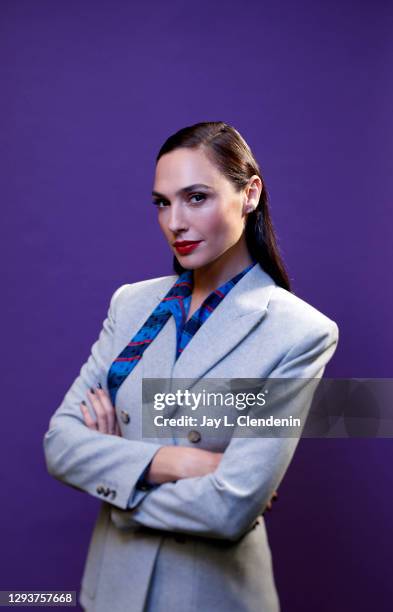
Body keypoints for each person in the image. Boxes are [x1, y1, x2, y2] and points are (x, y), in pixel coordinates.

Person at [43, 121, 339, 612]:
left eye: (196, 197)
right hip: (111, 591)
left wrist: (119, 486)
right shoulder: (132, 304)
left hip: (208, 596)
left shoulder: (298, 333)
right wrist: (182, 463)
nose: (174, 221)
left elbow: (230, 508)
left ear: (250, 194)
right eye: (163, 202)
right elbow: (61, 443)